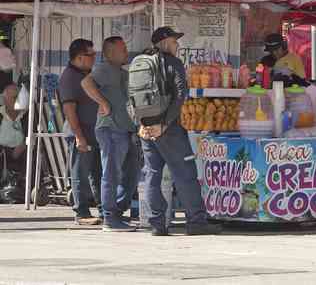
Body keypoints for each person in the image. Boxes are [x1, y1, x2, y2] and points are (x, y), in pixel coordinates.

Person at [138, 26, 222, 237]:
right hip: (170, 130)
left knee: (152, 174)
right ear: (165, 42)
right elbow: (181, 95)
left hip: (147, 129)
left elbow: (132, 96)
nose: (177, 45)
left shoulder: (139, 64)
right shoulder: (172, 62)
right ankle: (196, 223)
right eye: (175, 42)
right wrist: (164, 125)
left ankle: (157, 224)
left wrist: (141, 123)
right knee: (185, 175)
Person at [81, 37, 138, 233]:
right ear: (110, 52)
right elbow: (86, 82)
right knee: (112, 174)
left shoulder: (121, 72)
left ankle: (118, 211)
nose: (126, 52)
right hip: (111, 129)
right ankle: (109, 216)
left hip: (125, 129)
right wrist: (103, 103)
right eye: (122, 49)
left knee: (130, 174)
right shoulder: (104, 69)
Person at [58, 39, 102, 226]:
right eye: (91, 55)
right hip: (80, 131)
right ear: (79, 57)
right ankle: (81, 212)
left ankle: (103, 209)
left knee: (97, 172)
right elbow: (69, 110)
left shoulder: (87, 74)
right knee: (80, 173)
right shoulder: (69, 77)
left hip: (94, 130)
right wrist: (79, 136)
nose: (94, 58)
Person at [0, 83, 27, 176]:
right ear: (4, 100)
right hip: (3, 154)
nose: (17, 100)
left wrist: (24, 145)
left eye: (18, 97)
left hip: (22, 153)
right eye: (14, 98)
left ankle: (24, 185)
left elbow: (45, 130)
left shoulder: (26, 115)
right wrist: (10, 153)